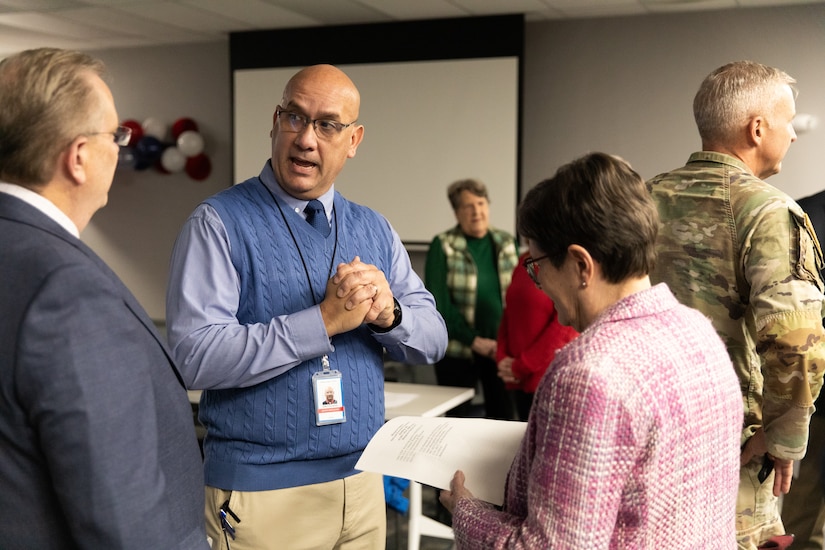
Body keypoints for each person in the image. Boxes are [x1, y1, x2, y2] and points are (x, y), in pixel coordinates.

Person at [165, 64, 447, 549]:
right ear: (275, 121)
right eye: (295, 117)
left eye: (327, 125)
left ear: (354, 139)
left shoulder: (374, 228)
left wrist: (390, 315)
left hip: (360, 486)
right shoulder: (217, 223)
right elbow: (194, 356)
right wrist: (321, 322)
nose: (306, 139)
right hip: (261, 496)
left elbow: (433, 338)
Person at [439, 152, 743, 548]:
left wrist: (466, 512)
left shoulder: (588, 373)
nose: (538, 282)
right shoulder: (700, 334)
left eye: (538, 264)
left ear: (581, 265)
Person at [0, 48, 208, 549]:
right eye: (115, 136)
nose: (120, 149)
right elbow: (121, 519)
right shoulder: (68, 292)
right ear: (77, 157)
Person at [647, 60, 825, 550]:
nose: (792, 134)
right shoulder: (769, 211)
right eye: (788, 122)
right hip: (731, 452)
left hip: (647, 433)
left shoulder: (640, 199)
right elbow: (797, 343)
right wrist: (784, 437)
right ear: (757, 127)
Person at [425, 178, 519, 419]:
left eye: (481, 203)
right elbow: (438, 303)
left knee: (505, 418)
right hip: (458, 350)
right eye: (468, 206)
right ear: (457, 212)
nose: (476, 211)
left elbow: (519, 297)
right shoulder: (444, 245)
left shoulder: (506, 242)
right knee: (457, 422)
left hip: (500, 349)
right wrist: (473, 340)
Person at [780, 190, 825, 550]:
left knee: (800, 512)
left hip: (809, 393)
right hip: (810, 395)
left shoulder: (801, 213)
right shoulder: (801, 217)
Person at [496, 247, 579, 420]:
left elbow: (564, 328)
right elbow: (509, 310)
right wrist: (502, 356)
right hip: (516, 376)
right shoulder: (524, 260)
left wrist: (521, 366)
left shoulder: (565, 260)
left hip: (545, 377)